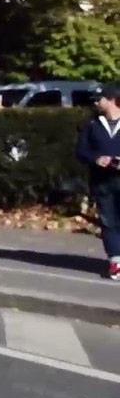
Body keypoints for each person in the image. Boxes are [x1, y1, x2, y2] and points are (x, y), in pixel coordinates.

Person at [76, 84, 120, 281]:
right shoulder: (93, 125)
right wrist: (96, 159)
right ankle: (116, 261)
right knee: (108, 221)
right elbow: (81, 151)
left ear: (111, 100)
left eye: (99, 99)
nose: (96, 102)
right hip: (102, 181)